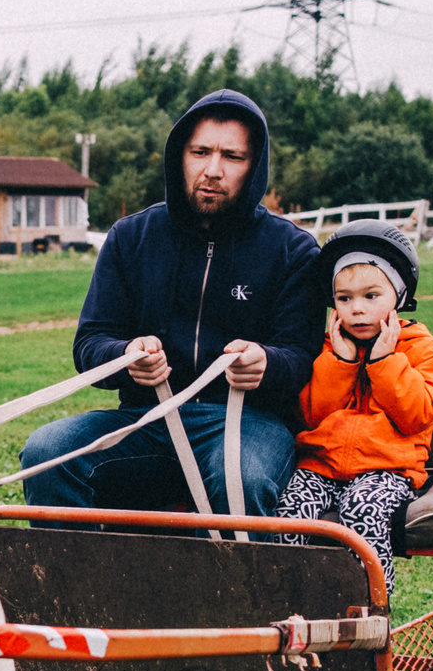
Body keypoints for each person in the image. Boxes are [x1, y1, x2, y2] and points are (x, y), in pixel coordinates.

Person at [17, 91, 322, 515]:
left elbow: (303, 357)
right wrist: (125, 356)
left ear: (255, 166)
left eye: (232, 157)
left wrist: (266, 363)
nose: (212, 170)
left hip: (245, 425)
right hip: (145, 420)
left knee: (242, 477)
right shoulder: (130, 238)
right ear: (180, 156)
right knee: (47, 452)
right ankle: (82, 581)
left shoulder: (293, 250)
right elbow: (89, 344)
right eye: (200, 152)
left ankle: (226, 584)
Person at [269, 224, 433, 589]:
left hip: (388, 471)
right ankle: (294, 597)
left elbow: (417, 414)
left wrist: (385, 363)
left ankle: (371, 604)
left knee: (362, 509)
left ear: (399, 294)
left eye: (371, 296)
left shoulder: (423, 349)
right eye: (345, 298)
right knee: (288, 511)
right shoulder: (325, 350)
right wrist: (340, 363)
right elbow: (308, 414)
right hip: (321, 467)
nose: (357, 310)